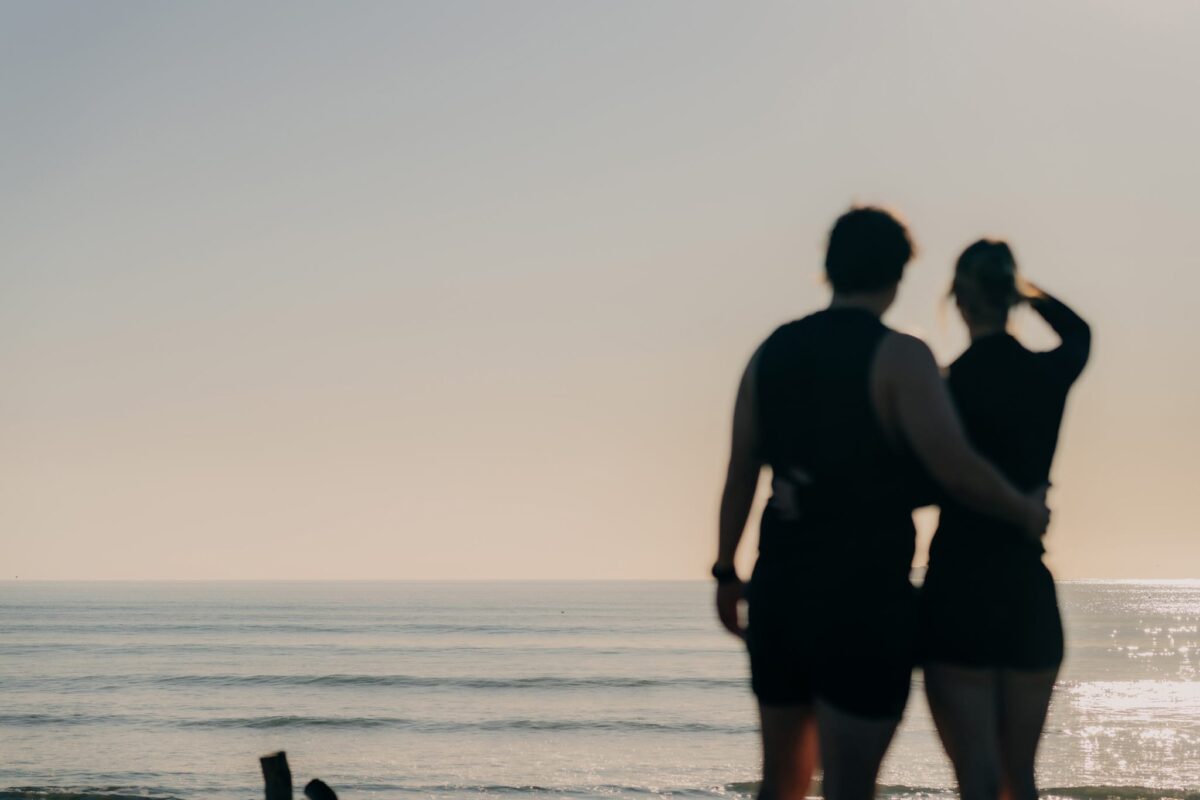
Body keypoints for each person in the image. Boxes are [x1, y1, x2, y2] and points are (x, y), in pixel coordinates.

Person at [712, 207, 1051, 800]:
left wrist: (725, 571)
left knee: (781, 781)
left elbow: (742, 471)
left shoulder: (771, 352)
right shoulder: (900, 356)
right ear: (898, 275)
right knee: (850, 785)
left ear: (827, 269)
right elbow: (957, 468)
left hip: (780, 589)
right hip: (862, 599)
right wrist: (1023, 510)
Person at [920, 240, 1090, 800]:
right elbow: (1080, 332)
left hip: (958, 586)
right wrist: (1026, 289)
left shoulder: (945, 388)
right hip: (1024, 589)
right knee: (1020, 776)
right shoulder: (1045, 376)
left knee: (978, 777)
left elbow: (920, 481)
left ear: (960, 300)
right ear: (1010, 297)